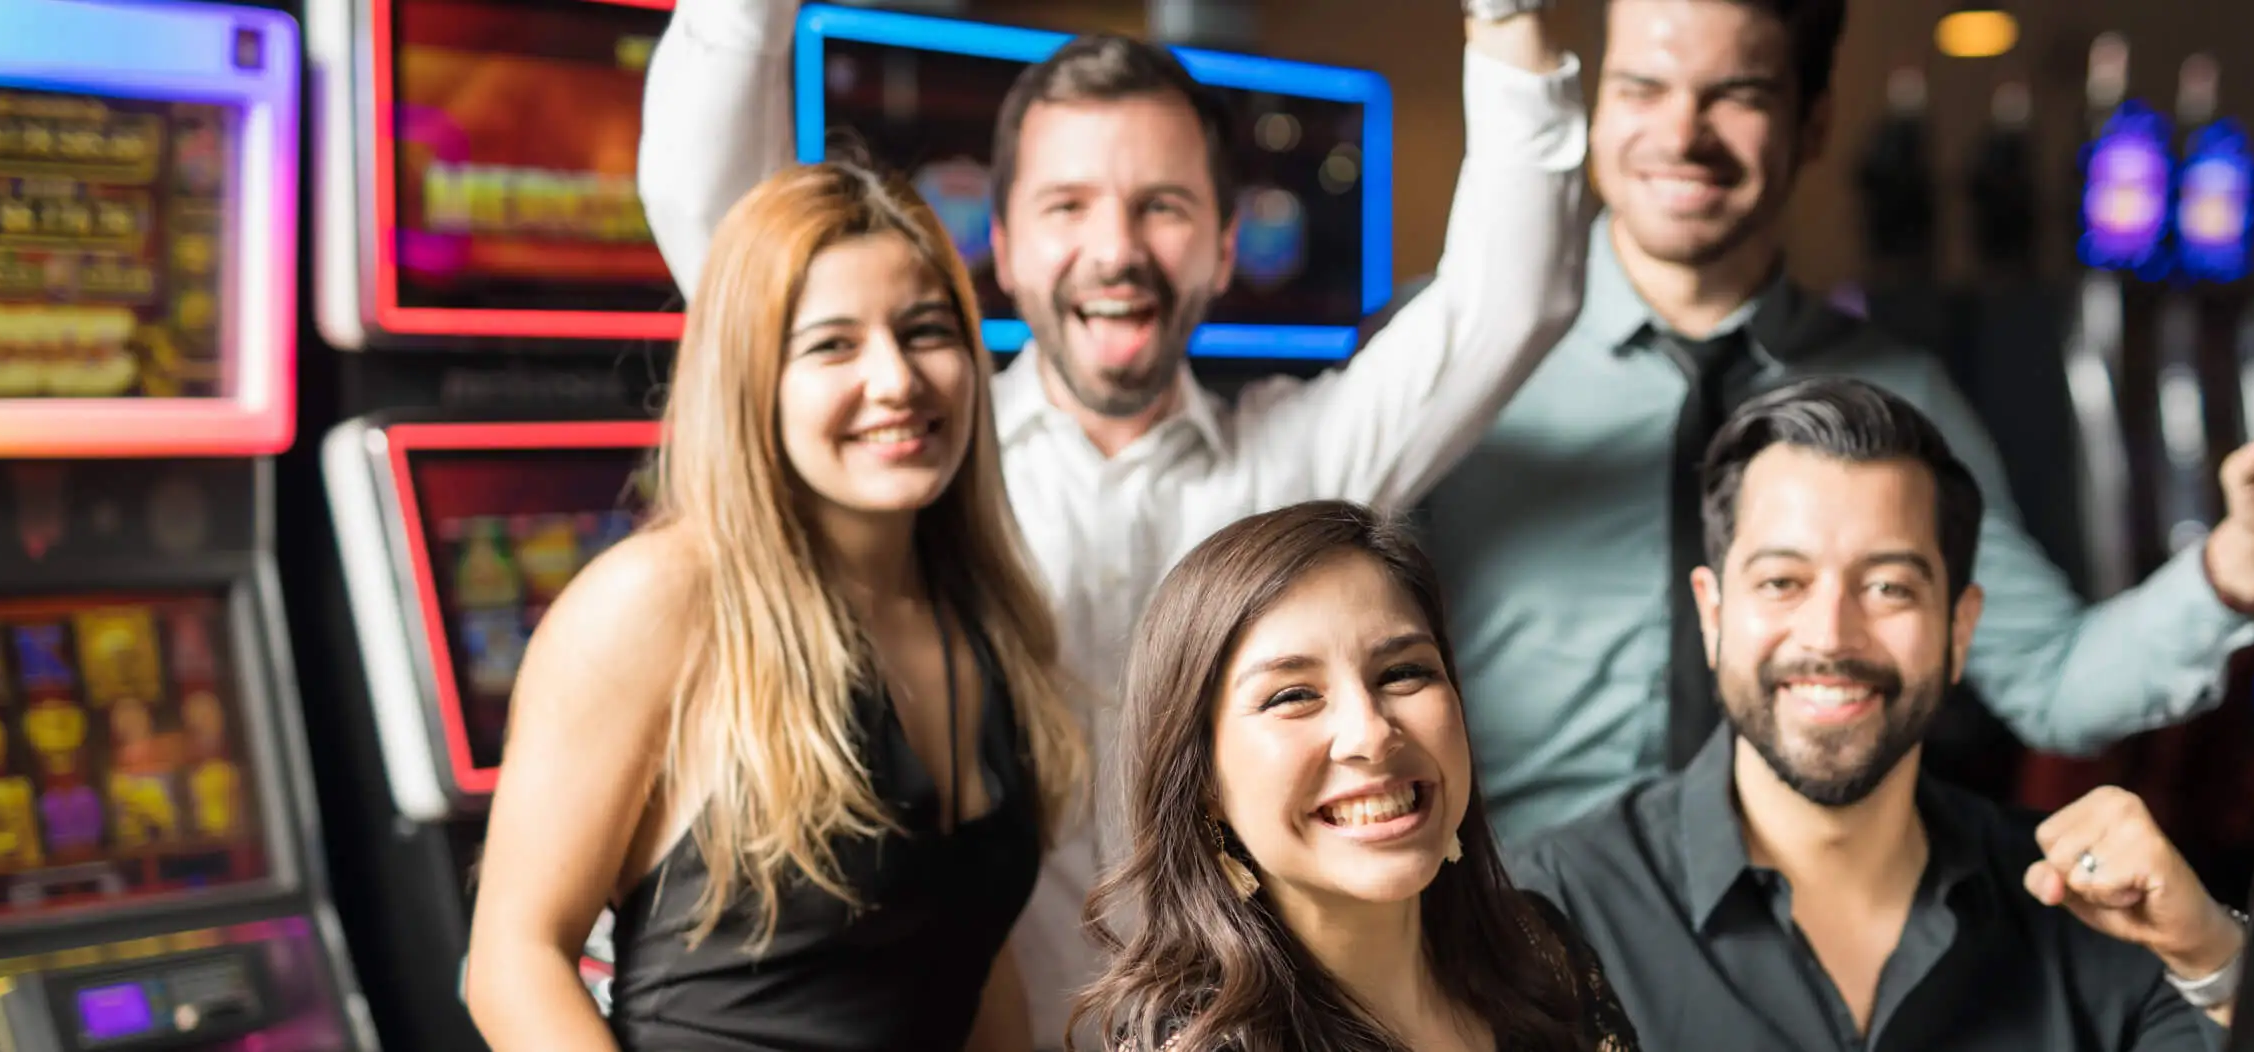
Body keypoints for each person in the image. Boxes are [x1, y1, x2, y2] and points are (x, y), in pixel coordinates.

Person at [638, 1, 1589, 1041]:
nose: (1115, 248)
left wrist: (1508, 16)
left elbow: (1513, 295)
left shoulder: (1305, 459)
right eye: (1068, 204)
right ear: (1001, 242)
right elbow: (728, 232)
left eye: (1163, 206)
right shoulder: (920, 454)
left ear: (1225, 245)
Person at [1415, 0, 2254, 841]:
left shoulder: (1900, 392)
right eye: (1642, 87)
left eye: (1735, 93)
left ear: (1813, 121)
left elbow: (2056, 685)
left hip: (1783, 959)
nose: (1682, 133)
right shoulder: (1454, 354)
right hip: (1505, 936)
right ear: (1595, 106)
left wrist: (2241, 561)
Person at [461, 162, 1086, 1051]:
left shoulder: (985, 614)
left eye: (926, 331)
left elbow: (974, 966)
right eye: (833, 345)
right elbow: (515, 963)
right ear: (755, 380)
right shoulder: (660, 599)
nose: (897, 379)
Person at [1512, 378, 2248, 1050]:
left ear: (1959, 630)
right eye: (1781, 582)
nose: (1831, 636)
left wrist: (2211, 954)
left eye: (1889, 587)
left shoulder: (2090, 918)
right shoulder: (1548, 909)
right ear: (1713, 615)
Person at [1076, 500, 1636, 1052]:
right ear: (1203, 782)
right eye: (1293, 696)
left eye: (1402, 673)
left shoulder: (1541, 951)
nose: (1370, 734)